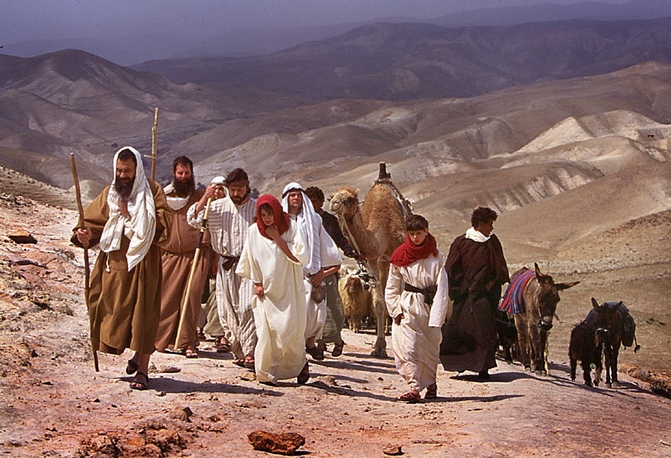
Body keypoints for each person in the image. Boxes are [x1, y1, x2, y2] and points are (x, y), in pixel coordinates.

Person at [72, 146, 171, 390]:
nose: (123, 175)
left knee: (144, 315)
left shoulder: (153, 191)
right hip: (114, 264)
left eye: (127, 171)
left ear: (137, 170)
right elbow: (91, 222)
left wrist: (135, 215)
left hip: (143, 264)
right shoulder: (110, 192)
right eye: (119, 170)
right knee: (108, 308)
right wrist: (83, 234)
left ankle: (143, 370)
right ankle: (133, 355)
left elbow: (164, 224)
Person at [236, 194, 310, 385]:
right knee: (267, 331)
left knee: (289, 330)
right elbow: (250, 258)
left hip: (289, 288)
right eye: (264, 214)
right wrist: (257, 282)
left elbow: (299, 257)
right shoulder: (254, 231)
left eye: (270, 213)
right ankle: (267, 373)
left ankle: (299, 365)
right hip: (266, 292)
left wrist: (278, 239)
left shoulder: (290, 228)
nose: (268, 218)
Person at [188, 168, 257, 368]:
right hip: (225, 267)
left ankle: (250, 351)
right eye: (233, 189)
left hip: (248, 265)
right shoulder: (217, 207)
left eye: (240, 189)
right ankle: (238, 350)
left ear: (247, 188)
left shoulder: (255, 209)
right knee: (227, 313)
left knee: (246, 308)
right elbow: (192, 220)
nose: (236, 193)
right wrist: (204, 198)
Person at [385, 214, 450, 402]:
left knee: (430, 347)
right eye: (411, 233)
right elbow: (392, 286)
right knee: (408, 347)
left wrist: (438, 315)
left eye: (419, 233)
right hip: (408, 306)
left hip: (430, 306)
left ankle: (431, 384)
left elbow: (442, 287)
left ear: (426, 231)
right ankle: (414, 387)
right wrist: (395, 309)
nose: (415, 237)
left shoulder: (436, 256)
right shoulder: (400, 255)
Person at [440, 206, 509, 381]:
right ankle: (460, 364)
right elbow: (452, 268)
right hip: (465, 296)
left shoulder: (492, 242)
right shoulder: (461, 242)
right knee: (461, 329)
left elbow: (499, 268)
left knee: (485, 331)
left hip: (485, 296)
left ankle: (483, 369)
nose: (492, 228)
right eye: (490, 224)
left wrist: (490, 283)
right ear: (480, 224)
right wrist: (464, 287)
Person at [154, 156, 212, 358]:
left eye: (187, 173)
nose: (184, 177)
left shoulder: (200, 196)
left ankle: (188, 342)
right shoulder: (164, 195)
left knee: (191, 299)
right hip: (169, 255)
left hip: (195, 255)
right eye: (180, 173)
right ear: (174, 173)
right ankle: (164, 339)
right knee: (167, 298)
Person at [282, 182, 330, 360]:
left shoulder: (314, 220)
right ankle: (294, 350)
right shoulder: (280, 221)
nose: (295, 198)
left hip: (311, 274)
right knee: (292, 315)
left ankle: (310, 343)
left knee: (316, 313)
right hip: (288, 274)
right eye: (292, 195)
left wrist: (320, 272)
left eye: (298, 195)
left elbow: (324, 247)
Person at [305, 186, 355, 357]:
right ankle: (318, 344)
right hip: (309, 271)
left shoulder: (329, 221)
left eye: (315, 201)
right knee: (313, 308)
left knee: (332, 307)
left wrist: (350, 251)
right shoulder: (302, 220)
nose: (312, 205)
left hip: (328, 269)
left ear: (320, 202)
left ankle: (337, 340)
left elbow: (340, 240)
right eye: (309, 201)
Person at [198, 177, 229, 352]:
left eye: (221, 190)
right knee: (198, 290)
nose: (218, 193)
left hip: (219, 253)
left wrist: (217, 257)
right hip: (201, 251)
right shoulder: (205, 206)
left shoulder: (228, 210)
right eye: (215, 189)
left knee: (219, 293)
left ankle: (220, 334)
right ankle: (197, 327)